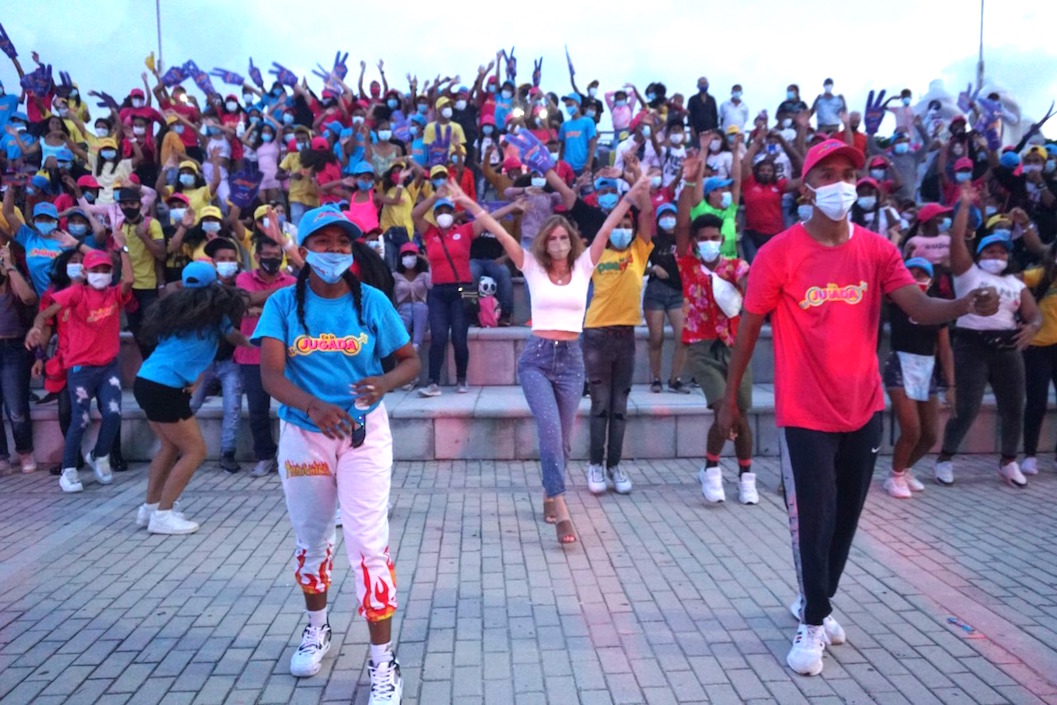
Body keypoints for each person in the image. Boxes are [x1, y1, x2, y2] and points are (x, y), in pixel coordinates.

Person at [716, 139, 1000, 677]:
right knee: (815, 519)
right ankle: (812, 621)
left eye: (849, 172)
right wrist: (730, 399)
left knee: (845, 520)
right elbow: (749, 326)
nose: (841, 182)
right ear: (808, 186)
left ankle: (815, 607)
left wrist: (962, 304)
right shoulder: (779, 252)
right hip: (803, 410)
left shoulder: (876, 250)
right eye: (828, 173)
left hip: (863, 405)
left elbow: (915, 305)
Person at [252, 205, 418, 701]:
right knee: (313, 540)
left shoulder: (372, 303)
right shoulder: (282, 305)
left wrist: (384, 382)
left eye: (342, 244)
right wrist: (313, 407)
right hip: (305, 435)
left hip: (364, 433)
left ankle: (383, 663)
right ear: (303, 252)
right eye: (322, 243)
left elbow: (409, 362)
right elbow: (271, 376)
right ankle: (317, 627)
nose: (333, 252)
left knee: (368, 546)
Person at [934, 185, 1042, 487]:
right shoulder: (968, 274)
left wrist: (1032, 328)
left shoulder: (1014, 282)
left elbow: (1034, 314)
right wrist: (964, 206)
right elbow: (956, 240)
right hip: (972, 344)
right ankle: (945, 458)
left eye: (1002, 251)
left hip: (1007, 345)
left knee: (1014, 406)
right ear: (980, 254)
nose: (997, 255)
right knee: (967, 407)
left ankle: (1008, 460)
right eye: (991, 251)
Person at [133, 262, 250, 535]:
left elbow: (185, 353)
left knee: (169, 446)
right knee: (195, 450)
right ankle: (163, 514)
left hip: (146, 380)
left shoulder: (172, 312)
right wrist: (261, 341)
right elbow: (235, 336)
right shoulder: (215, 314)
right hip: (166, 387)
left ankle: (150, 509)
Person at [27, 241, 132, 493]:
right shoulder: (76, 293)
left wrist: (124, 251)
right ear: (85, 273)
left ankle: (99, 455)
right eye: (95, 269)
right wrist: (36, 327)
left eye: (106, 269)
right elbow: (46, 312)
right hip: (80, 368)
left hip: (108, 367)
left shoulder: (114, 294)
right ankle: (68, 470)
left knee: (114, 413)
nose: (101, 274)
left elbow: (128, 281)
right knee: (80, 418)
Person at [582, 175, 653, 495]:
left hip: (626, 337)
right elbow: (604, 230)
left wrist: (642, 190)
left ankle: (614, 466)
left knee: (619, 407)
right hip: (597, 335)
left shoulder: (638, 252)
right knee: (600, 404)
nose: (624, 228)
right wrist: (620, 207)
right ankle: (595, 464)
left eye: (628, 223)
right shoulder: (597, 255)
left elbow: (647, 217)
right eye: (618, 223)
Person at [881, 258, 955, 498]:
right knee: (911, 429)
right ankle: (894, 476)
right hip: (900, 365)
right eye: (910, 273)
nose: (915, 278)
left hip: (927, 369)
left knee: (930, 434)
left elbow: (945, 349)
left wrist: (951, 385)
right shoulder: (895, 303)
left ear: (931, 279)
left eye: (921, 274)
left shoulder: (937, 309)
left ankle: (905, 469)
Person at [411, 187, 488, 397]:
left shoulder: (464, 231)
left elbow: (487, 219)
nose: (444, 214)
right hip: (438, 292)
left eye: (448, 210)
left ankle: (462, 379)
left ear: (454, 213)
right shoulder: (429, 233)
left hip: (463, 290)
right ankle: (433, 382)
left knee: (460, 338)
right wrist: (435, 197)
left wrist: (513, 207)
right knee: (438, 336)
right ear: (435, 216)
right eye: (440, 211)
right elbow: (414, 214)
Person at [235, 226, 297, 478]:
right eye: (267, 254)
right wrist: (274, 298)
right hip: (251, 354)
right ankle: (264, 455)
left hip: (288, 355)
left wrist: (259, 307)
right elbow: (244, 300)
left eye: (277, 254)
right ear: (257, 256)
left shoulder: (292, 281)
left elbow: (290, 314)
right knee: (257, 409)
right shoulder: (244, 279)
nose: (272, 258)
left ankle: (291, 455)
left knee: (292, 407)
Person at [188, 238, 246, 473]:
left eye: (231, 259)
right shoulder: (201, 291)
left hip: (231, 360)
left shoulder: (242, 287)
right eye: (222, 260)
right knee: (189, 404)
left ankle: (227, 453)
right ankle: (177, 446)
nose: (227, 264)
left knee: (233, 408)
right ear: (212, 263)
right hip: (203, 360)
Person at [0, 242, 37, 475]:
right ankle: (1, 457)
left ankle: (25, 451)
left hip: (13, 347)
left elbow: (29, 299)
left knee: (16, 406)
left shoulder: (14, 280)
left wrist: (10, 267)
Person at [643, 204, 688, 393]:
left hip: (678, 293)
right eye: (665, 215)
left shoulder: (684, 241)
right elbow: (637, 266)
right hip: (656, 292)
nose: (669, 219)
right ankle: (656, 378)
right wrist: (653, 268)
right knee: (656, 338)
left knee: (683, 337)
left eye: (672, 215)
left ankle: (675, 379)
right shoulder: (652, 242)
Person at [1022, 244, 1057, 474]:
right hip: (1037, 347)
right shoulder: (1040, 276)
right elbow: (1014, 282)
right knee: (1037, 403)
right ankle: (1030, 455)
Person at [394, 242, 431, 380]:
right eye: (406, 255)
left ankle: (416, 348)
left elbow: (433, 286)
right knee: (402, 340)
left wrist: (430, 264)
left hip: (421, 310)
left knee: (420, 307)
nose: (409, 257)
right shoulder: (395, 276)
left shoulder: (424, 275)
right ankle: (409, 374)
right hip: (403, 310)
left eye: (412, 254)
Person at [557, 94, 597, 175]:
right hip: (567, 166)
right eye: (566, 106)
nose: (568, 107)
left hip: (582, 166)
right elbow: (562, 146)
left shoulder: (588, 122)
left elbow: (592, 144)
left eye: (570, 104)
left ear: (577, 104)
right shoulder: (564, 125)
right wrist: (560, 162)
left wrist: (589, 163)